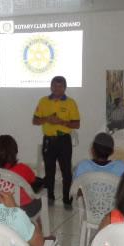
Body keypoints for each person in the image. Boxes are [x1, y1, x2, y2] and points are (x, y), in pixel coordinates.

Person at [32, 76, 80, 208]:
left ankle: (66, 198)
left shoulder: (71, 102)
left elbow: (77, 124)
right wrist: (47, 119)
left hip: (64, 140)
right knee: (49, 169)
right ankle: (51, 197)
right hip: (48, 140)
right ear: (50, 86)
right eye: (54, 86)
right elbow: (35, 121)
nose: (56, 89)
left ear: (65, 88)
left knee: (66, 170)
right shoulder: (43, 101)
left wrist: (62, 122)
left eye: (60, 86)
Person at [0, 134, 43, 218]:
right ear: (15, 151)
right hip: (23, 209)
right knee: (39, 198)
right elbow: (33, 182)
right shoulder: (23, 168)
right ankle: (34, 229)